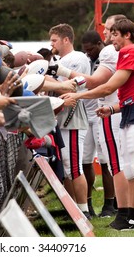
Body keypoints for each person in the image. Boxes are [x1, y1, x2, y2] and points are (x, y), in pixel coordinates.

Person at [61, 18, 134, 231]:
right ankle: (131, 218)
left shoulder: (133, 51)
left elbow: (108, 87)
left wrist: (78, 96)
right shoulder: (125, 53)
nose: (110, 38)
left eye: (114, 34)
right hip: (130, 113)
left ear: (127, 35)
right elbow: (132, 93)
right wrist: (112, 109)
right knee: (130, 169)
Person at [48, 23, 91, 218]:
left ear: (66, 39)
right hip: (61, 117)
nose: (51, 44)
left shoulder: (77, 58)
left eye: (54, 40)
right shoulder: (59, 60)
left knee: (74, 166)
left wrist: (45, 79)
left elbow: (73, 88)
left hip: (72, 117)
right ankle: (73, 209)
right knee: (66, 167)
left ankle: (83, 210)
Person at [80, 30, 116, 218]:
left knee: (105, 159)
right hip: (86, 112)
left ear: (100, 44)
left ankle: (110, 203)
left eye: (90, 49)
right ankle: (87, 204)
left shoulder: (108, 58)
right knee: (85, 159)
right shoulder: (85, 60)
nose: (88, 53)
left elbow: (96, 82)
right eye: (85, 50)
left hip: (103, 111)